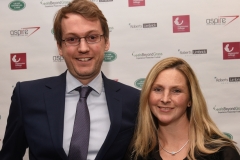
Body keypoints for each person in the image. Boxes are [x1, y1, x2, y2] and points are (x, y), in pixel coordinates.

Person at [0, 0, 140, 159]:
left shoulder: (133, 100)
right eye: (72, 39)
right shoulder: (27, 96)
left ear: (106, 42)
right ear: (60, 47)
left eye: (92, 37)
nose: (83, 48)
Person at [125, 57, 240, 160]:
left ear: (190, 100)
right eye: (158, 89)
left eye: (176, 91)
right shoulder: (136, 152)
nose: (165, 99)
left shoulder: (221, 152)